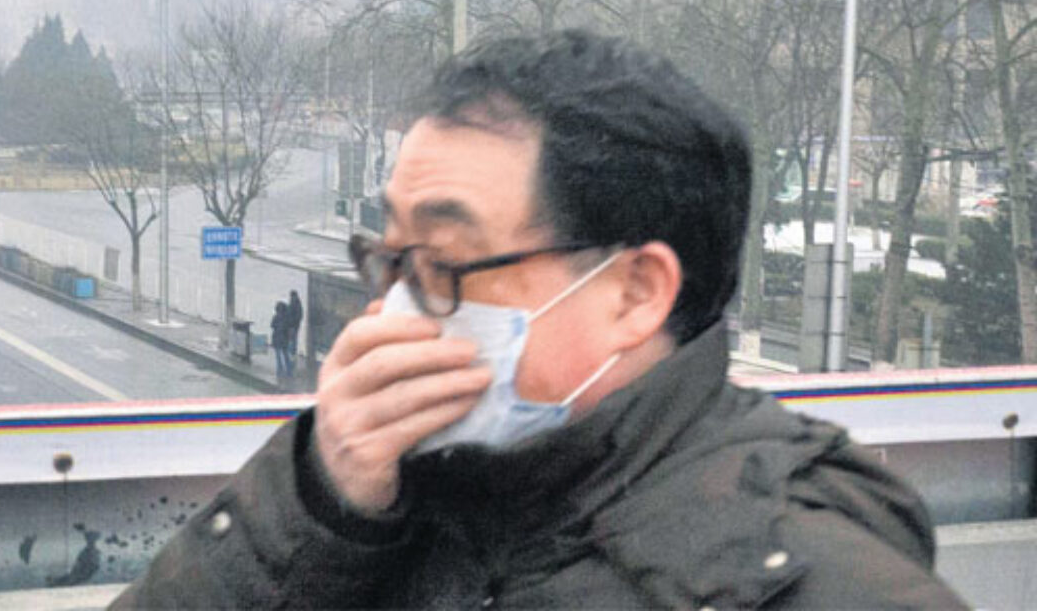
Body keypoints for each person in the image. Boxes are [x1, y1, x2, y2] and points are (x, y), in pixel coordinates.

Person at [112, 30, 965, 609]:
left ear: (634, 293)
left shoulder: (812, 577)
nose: (389, 314)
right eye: (389, 258)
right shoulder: (391, 502)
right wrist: (320, 506)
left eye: (444, 264)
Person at [269, 301, 294, 379]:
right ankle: (289, 370)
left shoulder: (276, 317)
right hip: (284, 339)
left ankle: (280, 370)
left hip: (277, 338)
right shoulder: (287, 318)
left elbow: (272, 325)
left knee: (278, 355)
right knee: (285, 354)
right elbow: (289, 328)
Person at [286, 288, 305, 370]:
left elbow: (291, 314)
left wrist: (290, 323)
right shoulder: (298, 303)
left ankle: (291, 354)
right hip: (295, 325)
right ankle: (293, 354)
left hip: (292, 325)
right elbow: (300, 315)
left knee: (291, 340)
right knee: (294, 339)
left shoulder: (293, 303)